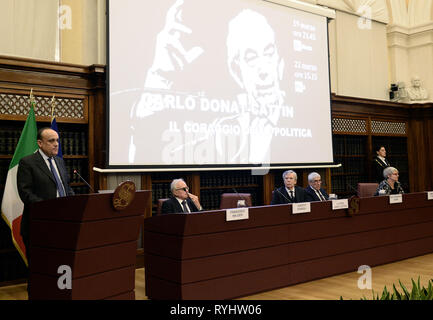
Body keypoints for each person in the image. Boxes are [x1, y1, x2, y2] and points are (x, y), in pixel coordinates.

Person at [17, 127, 74, 255]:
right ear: (40, 143)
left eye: (57, 140)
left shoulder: (59, 161)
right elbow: (25, 193)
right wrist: (49, 208)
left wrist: (74, 203)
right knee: (41, 265)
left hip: (63, 223)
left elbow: (66, 187)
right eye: (51, 141)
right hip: (39, 225)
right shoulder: (27, 162)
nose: (56, 144)